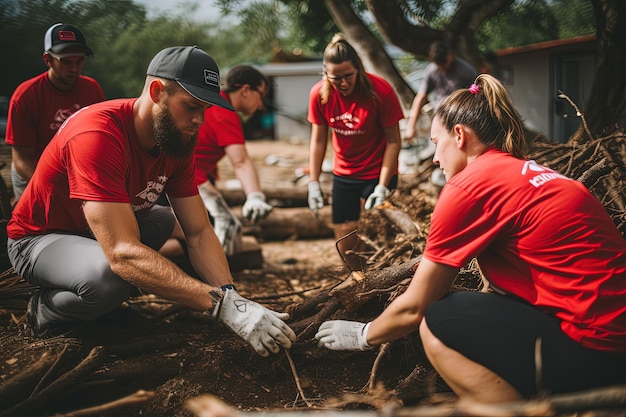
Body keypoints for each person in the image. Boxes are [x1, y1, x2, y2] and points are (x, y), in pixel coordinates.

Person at [315, 74, 626, 402]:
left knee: (437, 319)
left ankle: (518, 412)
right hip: (614, 341)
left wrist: (365, 334)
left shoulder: (470, 185)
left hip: (599, 351)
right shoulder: (532, 172)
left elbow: (416, 306)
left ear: (460, 135)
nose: (435, 158)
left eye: (437, 143)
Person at [6, 45, 295, 357]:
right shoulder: (97, 134)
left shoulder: (177, 141)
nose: (199, 120)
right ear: (157, 91)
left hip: (95, 233)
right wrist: (218, 305)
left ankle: (100, 305)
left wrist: (232, 297)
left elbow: (198, 231)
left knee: (164, 221)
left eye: (205, 111)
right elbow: (121, 253)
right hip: (40, 239)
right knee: (108, 277)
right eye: (192, 107)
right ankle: (47, 311)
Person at [306, 33, 403, 265]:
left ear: (358, 68)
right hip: (344, 173)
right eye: (335, 78)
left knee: (372, 231)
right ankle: (356, 280)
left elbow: (394, 141)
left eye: (348, 76)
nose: (343, 83)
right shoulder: (319, 95)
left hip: (377, 173)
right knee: (344, 237)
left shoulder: (381, 92)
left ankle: (383, 278)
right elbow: (318, 141)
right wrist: (313, 182)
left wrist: (381, 187)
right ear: (325, 74)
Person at [161, 65, 273, 258]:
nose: (261, 104)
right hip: (176, 180)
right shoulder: (224, 111)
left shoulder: (213, 103)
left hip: (178, 176)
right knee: (196, 237)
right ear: (245, 90)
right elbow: (240, 162)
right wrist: (255, 196)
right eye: (261, 95)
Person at [5, 23, 105, 204]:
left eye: (79, 61)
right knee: (39, 220)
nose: (74, 68)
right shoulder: (25, 96)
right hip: (33, 169)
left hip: (75, 172)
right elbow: (21, 159)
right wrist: (52, 189)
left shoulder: (92, 89)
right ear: (47, 60)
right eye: (65, 61)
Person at [404, 41, 477, 142]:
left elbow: (479, 94)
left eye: (444, 64)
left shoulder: (466, 71)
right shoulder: (432, 71)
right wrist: (411, 126)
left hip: (463, 118)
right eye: (439, 66)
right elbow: (421, 97)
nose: (443, 68)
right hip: (442, 119)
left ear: (450, 55)